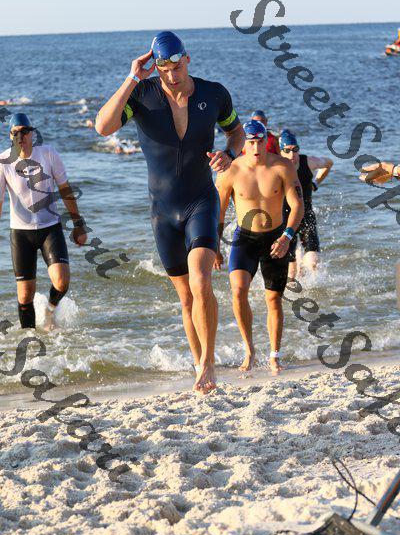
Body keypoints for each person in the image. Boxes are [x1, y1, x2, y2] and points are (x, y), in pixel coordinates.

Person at [95, 31, 245, 394]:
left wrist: (230, 154)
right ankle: (198, 365)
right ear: (156, 67)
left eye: (177, 68)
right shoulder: (142, 96)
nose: (172, 76)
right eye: (164, 70)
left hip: (201, 201)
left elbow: (237, 131)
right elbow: (103, 127)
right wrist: (132, 78)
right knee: (186, 298)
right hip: (162, 212)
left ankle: (208, 363)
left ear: (187, 60)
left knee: (201, 279)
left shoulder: (214, 94)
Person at [214, 120, 304, 374]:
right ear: (244, 143)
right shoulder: (230, 170)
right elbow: (218, 213)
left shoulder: (283, 166)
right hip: (245, 239)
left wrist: (287, 236)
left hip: (276, 239)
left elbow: (297, 206)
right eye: (251, 142)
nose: (255, 147)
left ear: (267, 141)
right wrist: (215, 246)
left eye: (260, 142)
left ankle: (275, 355)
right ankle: (249, 350)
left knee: (273, 299)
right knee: (238, 291)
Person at [0, 113, 87, 331]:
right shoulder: (4, 162)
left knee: (61, 282)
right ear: (10, 136)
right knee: (25, 295)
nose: (20, 137)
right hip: (21, 233)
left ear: (32, 133)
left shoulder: (48, 154)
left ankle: (49, 311)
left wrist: (78, 224)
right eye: (15, 133)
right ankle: (29, 338)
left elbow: (65, 189)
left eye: (24, 131)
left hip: (50, 229)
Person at [280, 129, 333, 279]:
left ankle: (304, 265)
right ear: (281, 152)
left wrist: (315, 183)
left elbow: (329, 163)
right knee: (291, 274)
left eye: (295, 149)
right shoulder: (276, 167)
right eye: (287, 150)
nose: (292, 154)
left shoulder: (308, 162)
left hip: (306, 216)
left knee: (313, 263)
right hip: (286, 220)